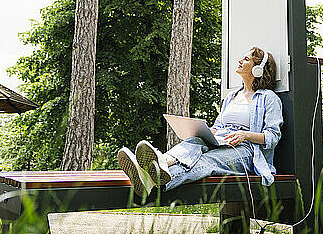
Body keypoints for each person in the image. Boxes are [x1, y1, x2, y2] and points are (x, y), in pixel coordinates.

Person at [117, 46, 283, 198]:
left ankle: (151, 178)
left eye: (246, 59)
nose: (240, 60)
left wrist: (245, 135)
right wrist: (207, 132)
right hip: (222, 142)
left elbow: (273, 137)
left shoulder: (268, 98)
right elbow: (218, 126)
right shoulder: (231, 97)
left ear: (258, 69)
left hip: (246, 151)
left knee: (206, 161)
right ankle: (161, 163)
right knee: (194, 140)